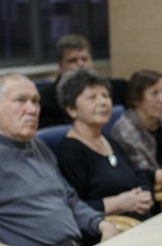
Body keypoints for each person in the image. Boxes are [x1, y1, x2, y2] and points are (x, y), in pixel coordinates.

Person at [0, 74, 119, 246]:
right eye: (21, 101)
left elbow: (70, 201)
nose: (33, 109)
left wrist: (100, 224)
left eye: (36, 101)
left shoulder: (39, 147)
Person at [38, 33, 162, 129]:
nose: (81, 65)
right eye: (73, 61)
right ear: (60, 66)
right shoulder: (47, 98)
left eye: (84, 59)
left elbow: (147, 88)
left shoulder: (109, 87)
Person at [56, 68, 154, 218]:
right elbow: (74, 208)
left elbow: (139, 174)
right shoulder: (70, 152)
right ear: (71, 110)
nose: (103, 102)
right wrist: (120, 203)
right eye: (92, 97)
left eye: (105, 96)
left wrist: (144, 194)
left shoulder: (108, 140)